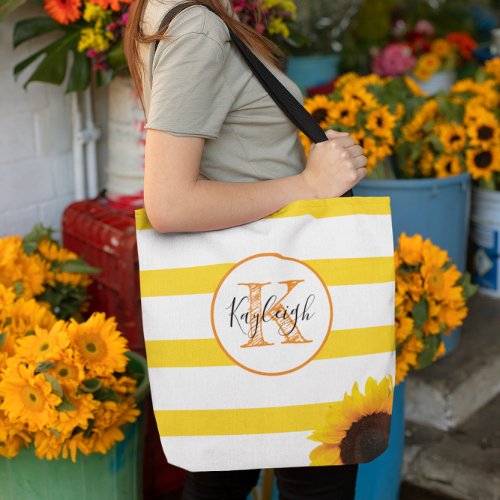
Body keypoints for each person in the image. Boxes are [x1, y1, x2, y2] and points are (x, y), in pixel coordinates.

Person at [124, 1, 367, 498]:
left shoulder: (182, 14)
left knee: (224, 477)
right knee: (314, 477)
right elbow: (169, 203)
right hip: (276, 299)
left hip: (244, 295)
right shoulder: (197, 26)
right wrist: (310, 184)